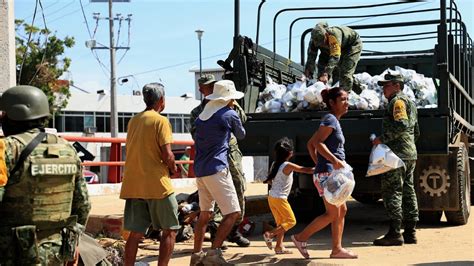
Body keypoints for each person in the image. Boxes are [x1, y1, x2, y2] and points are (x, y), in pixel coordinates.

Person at [0, 85, 91, 265]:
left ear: (16, 114)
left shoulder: (7, 149)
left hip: (15, 252)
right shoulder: (68, 149)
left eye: (4, 113)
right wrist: (72, 244)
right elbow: (83, 205)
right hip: (57, 251)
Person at [291, 87, 358, 259]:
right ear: (331, 102)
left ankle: (337, 249)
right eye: (342, 99)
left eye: (347, 99)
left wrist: (319, 163)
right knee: (333, 213)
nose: (347, 102)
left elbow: (311, 143)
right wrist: (332, 162)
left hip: (327, 172)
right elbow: (319, 143)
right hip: (328, 174)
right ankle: (300, 238)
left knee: (341, 210)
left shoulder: (333, 120)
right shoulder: (329, 119)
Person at [119, 82, 180, 266]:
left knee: (135, 234)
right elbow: (167, 154)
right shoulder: (161, 121)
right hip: (157, 185)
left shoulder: (134, 120)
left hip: (134, 184)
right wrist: (174, 168)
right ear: (161, 100)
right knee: (170, 230)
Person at [190, 74, 250, 248]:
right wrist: (232, 110)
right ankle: (214, 252)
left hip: (201, 169)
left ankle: (197, 254)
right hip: (217, 167)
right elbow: (241, 134)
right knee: (233, 212)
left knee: (204, 214)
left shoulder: (202, 114)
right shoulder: (229, 113)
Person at [372, 71, 420, 246]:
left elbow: (402, 125)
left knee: (393, 191)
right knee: (408, 191)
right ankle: (410, 232)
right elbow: (416, 131)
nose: (384, 89)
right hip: (409, 154)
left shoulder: (397, 101)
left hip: (397, 156)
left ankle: (394, 233)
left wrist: (381, 139)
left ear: (397, 85)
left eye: (387, 85)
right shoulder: (411, 103)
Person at [262, 137, 314, 255]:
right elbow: (305, 170)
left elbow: (271, 181)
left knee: (282, 223)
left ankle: (279, 247)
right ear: (290, 153)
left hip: (272, 198)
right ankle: (270, 234)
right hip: (280, 198)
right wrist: (320, 169)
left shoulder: (275, 164)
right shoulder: (288, 165)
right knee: (291, 221)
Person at [304, 21, 362, 92]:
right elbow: (311, 56)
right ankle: (322, 93)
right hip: (328, 50)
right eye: (319, 44)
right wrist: (309, 71)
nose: (321, 45)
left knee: (345, 74)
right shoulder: (314, 40)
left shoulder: (334, 35)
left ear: (326, 35)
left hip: (351, 46)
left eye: (322, 42)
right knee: (321, 72)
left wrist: (326, 73)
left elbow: (335, 56)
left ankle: (346, 97)